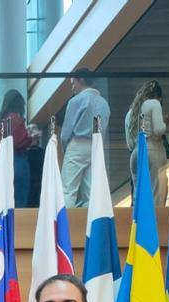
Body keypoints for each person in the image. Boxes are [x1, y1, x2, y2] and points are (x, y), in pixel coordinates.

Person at [61, 68, 111, 207]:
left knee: (68, 190)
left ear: (81, 80)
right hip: (95, 146)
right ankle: (88, 225)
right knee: (91, 193)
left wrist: (66, 148)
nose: (72, 87)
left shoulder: (75, 101)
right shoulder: (104, 104)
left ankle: (67, 225)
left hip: (77, 144)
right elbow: (103, 129)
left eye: (73, 83)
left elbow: (66, 132)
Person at [124, 80, 168, 208]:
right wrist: (165, 123)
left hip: (136, 152)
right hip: (153, 149)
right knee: (156, 194)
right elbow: (159, 130)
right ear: (158, 96)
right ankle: (154, 226)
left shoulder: (131, 112)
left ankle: (138, 227)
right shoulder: (154, 104)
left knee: (138, 196)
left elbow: (129, 143)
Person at [0, 89, 32, 207]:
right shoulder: (16, 119)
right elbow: (19, 141)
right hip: (16, 162)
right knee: (19, 205)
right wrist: (31, 137)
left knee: (1, 207)